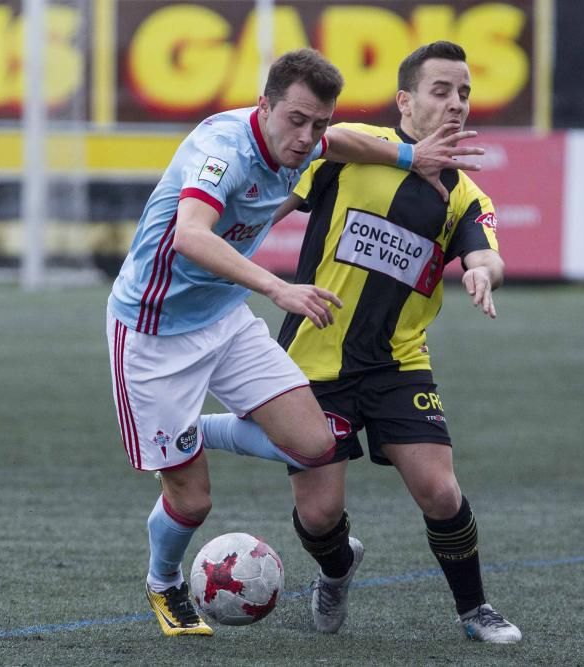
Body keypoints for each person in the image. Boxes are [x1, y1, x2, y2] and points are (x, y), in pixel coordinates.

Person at [106, 47, 482, 637]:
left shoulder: (308, 138)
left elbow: (348, 144)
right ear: (264, 105)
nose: (308, 137)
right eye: (297, 121)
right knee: (193, 502)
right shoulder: (221, 151)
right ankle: (163, 584)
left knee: (315, 445)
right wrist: (276, 288)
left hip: (225, 319)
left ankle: (193, 429)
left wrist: (410, 156)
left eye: (319, 124)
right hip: (154, 332)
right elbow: (190, 237)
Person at [200, 41, 521, 643]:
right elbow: (269, 203)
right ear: (405, 100)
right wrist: (219, 241)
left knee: (439, 489)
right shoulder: (348, 148)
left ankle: (475, 609)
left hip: (400, 365)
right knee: (319, 515)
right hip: (314, 362)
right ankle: (337, 568)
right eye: (441, 90)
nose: (457, 104)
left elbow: (484, 251)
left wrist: (482, 270)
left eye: (465, 93)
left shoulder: (466, 196)